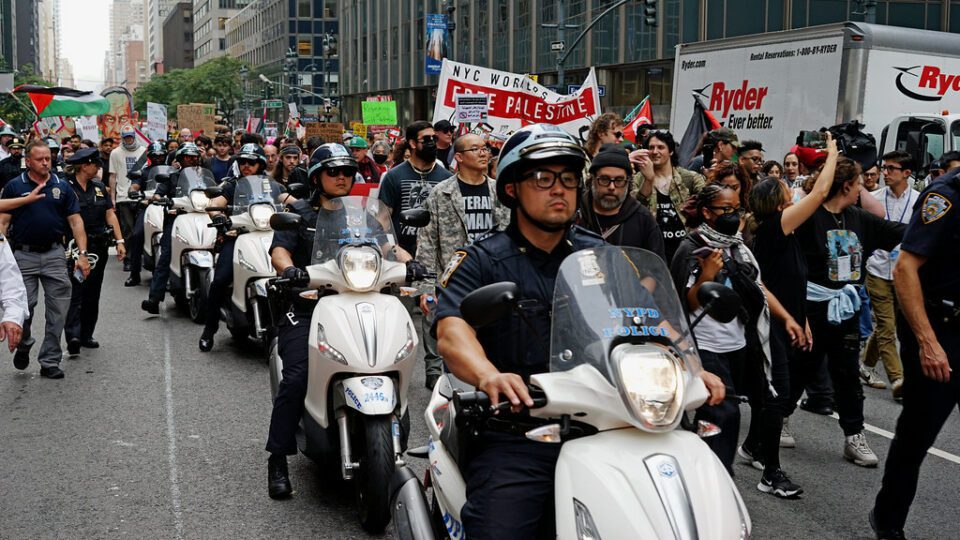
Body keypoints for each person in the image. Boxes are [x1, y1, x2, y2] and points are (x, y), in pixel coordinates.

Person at [435, 124, 725, 538]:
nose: (559, 189)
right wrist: (489, 375)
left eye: (569, 179)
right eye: (543, 178)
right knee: (499, 528)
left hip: (611, 416)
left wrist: (691, 366)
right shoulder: (482, 260)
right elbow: (452, 329)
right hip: (522, 427)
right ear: (513, 188)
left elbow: (649, 316)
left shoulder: (600, 254)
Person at [264, 142, 414, 498]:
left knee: (393, 353)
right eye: (334, 171)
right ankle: (277, 457)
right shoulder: (301, 212)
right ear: (318, 177)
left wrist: (409, 261)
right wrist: (290, 270)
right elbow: (279, 251)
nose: (342, 177)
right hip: (308, 302)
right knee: (298, 375)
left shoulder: (364, 213)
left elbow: (389, 246)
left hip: (363, 297)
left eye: (348, 171)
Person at [794, 156, 906, 467]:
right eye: (858, 184)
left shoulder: (858, 218)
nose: (863, 189)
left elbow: (896, 229)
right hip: (812, 310)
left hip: (846, 312)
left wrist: (936, 226)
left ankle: (854, 436)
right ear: (846, 186)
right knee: (801, 369)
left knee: (847, 376)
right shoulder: (809, 218)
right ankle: (780, 420)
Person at [870, 156, 960, 540]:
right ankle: (888, 520)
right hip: (942, 331)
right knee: (917, 435)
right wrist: (928, 343)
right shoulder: (946, 196)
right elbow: (905, 268)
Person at [741, 134, 836, 497]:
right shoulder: (774, 228)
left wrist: (804, 320)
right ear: (777, 203)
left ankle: (751, 447)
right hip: (771, 327)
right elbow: (820, 192)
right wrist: (832, 153)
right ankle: (771, 474)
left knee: (774, 394)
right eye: (785, 190)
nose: (792, 193)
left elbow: (791, 283)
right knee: (778, 397)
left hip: (788, 323)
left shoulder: (786, 232)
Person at [670, 184, 771, 475]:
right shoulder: (692, 247)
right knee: (722, 412)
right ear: (706, 212)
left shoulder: (737, 245)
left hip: (737, 342)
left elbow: (755, 288)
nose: (732, 215)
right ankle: (716, 472)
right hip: (706, 345)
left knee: (727, 410)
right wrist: (707, 275)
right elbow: (684, 304)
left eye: (736, 209)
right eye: (724, 209)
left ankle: (708, 466)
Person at [414, 133, 510, 389]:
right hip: (455, 283)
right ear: (458, 157)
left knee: (494, 346)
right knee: (456, 348)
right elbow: (427, 242)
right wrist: (425, 289)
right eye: (475, 148)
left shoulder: (498, 191)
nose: (483, 153)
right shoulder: (441, 193)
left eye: (485, 148)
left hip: (493, 280)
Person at [0, 139, 91, 379]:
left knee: (58, 310)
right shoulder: (13, 186)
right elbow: (3, 222)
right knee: (23, 307)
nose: (45, 163)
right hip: (23, 255)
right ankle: (24, 341)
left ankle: (49, 360)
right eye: (39, 159)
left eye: (48, 158)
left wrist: (82, 254)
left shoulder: (62, 186)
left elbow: (75, 221)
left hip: (54, 255)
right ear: (27, 161)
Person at [200, 144, 287, 351]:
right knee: (220, 279)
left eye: (252, 162)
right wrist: (220, 217)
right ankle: (209, 329)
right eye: (243, 162)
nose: (246, 166)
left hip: (270, 236)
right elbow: (214, 204)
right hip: (238, 236)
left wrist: (300, 209)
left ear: (261, 164)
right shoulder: (232, 186)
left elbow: (289, 201)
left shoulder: (273, 186)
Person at [861, 151, 919, 399]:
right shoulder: (873, 198)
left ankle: (865, 364)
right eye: (884, 168)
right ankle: (898, 379)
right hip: (877, 268)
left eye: (892, 168)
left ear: (907, 173)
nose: (886, 172)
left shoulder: (918, 200)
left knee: (890, 324)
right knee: (886, 325)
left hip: (903, 272)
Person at [62, 148, 126, 355]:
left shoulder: (99, 187)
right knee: (76, 290)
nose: (99, 167)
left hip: (98, 247)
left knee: (92, 291)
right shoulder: (64, 187)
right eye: (96, 164)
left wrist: (120, 240)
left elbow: (110, 215)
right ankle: (73, 334)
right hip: (74, 248)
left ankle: (87, 334)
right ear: (84, 165)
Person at [141, 144, 202, 315]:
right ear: (181, 160)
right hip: (176, 220)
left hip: (202, 220)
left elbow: (215, 194)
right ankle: (154, 299)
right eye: (188, 157)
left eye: (194, 157)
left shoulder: (204, 179)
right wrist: (161, 199)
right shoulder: (171, 177)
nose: (192, 160)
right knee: (166, 254)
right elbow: (159, 194)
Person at [578, 143, 665, 260]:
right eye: (604, 179)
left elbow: (657, 269)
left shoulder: (643, 219)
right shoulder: (576, 214)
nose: (612, 187)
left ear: (628, 182)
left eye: (619, 180)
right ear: (592, 179)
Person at [378, 121, 452, 257]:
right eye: (426, 139)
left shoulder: (447, 178)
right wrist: (392, 251)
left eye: (434, 138)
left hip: (438, 256)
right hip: (401, 257)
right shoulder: (393, 176)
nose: (432, 143)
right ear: (412, 143)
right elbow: (382, 221)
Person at [631, 130, 707, 261]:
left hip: (685, 252)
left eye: (660, 147)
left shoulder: (689, 178)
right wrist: (648, 180)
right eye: (651, 148)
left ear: (671, 151)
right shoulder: (638, 179)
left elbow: (708, 203)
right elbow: (634, 209)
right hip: (652, 252)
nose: (655, 152)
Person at [125, 141, 168, 287]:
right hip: (148, 206)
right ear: (149, 156)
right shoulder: (143, 172)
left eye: (161, 156)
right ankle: (134, 274)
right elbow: (134, 186)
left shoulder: (172, 172)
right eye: (154, 156)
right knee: (137, 235)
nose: (158, 159)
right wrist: (134, 192)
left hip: (168, 207)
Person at [109, 125, 147, 269]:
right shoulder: (115, 153)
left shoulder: (143, 151)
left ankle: (140, 257)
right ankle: (129, 259)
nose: (129, 139)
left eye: (130, 136)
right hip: (123, 197)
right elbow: (113, 176)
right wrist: (113, 197)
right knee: (128, 230)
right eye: (126, 137)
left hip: (140, 197)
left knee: (140, 230)